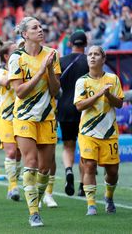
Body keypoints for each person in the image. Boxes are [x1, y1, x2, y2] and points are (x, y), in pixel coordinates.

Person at [8, 16, 61, 227]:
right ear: (24, 34)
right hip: (24, 117)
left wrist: (48, 69)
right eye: (34, 27)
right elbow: (20, 92)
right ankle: (34, 213)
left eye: (40, 26)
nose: (40, 30)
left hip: (47, 116)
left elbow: (55, 90)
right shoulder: (16, 58)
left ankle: (34, 202)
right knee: (30, 162)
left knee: (45, 168)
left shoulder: (52, 54)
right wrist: (40, 72)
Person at [74, 46, 124, 216]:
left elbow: (120, 104)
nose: (92, 57)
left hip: (109, 132)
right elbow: (79, 105)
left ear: (103, 59)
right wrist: (98, 95)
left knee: (112, 171)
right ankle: (91, 204)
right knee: (89, 166)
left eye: (96, 54)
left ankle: (108, 197)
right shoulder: (82, 81)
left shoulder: (113, 79)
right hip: (88, 132)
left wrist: (109, 96)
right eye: (90, 54)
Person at [58, 31, 89, 197]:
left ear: (70, 44)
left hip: (64, 108)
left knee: (68, 146)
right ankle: (83, 184)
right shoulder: (90, 62)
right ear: (86, 43)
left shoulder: (61, 61)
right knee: (84, 148)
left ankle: (69, 170)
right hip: (85, 109)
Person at [0, 38, 21, 201]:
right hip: (5, 117)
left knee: (18, 154)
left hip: (21, 117)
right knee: (11, 151)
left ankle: (13, 182)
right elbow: (4, 82)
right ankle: (13, 187)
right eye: (15, 51)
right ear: (5, 57)